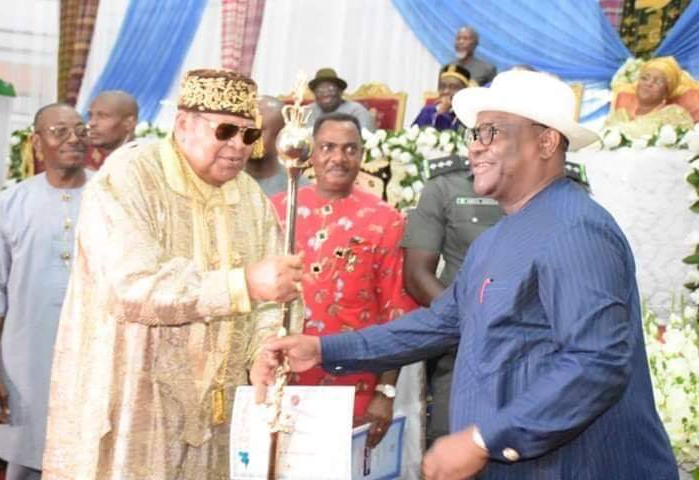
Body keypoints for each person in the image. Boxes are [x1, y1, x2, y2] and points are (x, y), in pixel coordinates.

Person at [254, 70, 678, 479]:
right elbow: (435, 325)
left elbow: (596, 363)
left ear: (546, 142)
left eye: (491, 132)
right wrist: (322, 348)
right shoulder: (495, 240)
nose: (475, 147)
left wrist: (482, 440)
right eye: (474, 134)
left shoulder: (576, 230)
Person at [41, 69, 303, 480]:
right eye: (225, 131)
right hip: (136, 397)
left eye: (249, 135)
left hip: (220, 408)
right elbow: (130, 286)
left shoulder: (250, 198)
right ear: (183, 124)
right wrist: (242, 284)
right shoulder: (130, 176)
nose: (238, 146)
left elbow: (278, 292)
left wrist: (264, 350)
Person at [272, 112, 417, 448]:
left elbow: (396, 311)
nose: (338, 158)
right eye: (327, 147)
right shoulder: (278, 211)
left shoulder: (386, 220)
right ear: (311, 152)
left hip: (354, 385)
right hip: (282, 379)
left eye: (350, 149)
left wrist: (385, 390)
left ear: (362, 155)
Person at [0, 103, 91, 480]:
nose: (74, 138)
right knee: (28, 459)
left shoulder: (111, 199)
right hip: (26, 362)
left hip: (95, 357)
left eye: (80, 130)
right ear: (37, 143)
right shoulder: (6, 207)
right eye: (60, 131)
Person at [401, 154, 503, 449]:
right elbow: (416, 276)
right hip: (460, 352)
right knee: (451, 448)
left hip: (533, 355)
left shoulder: (558, 185)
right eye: (477, 132)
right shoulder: (446, 185)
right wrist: (472, 323)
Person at [606, 56, 696, 138]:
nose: (648, 83)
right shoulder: (622, 112)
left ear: (666, 92)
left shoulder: (674, 115)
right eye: (644, 78)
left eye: (657, 82)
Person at [244, 95, 309, 196]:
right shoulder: (224, 179)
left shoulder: (297, 190)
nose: (249, 136)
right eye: (245, 129)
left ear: (280, 136)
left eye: (258, 130)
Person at [305, 68, 375, 132]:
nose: (325, 94)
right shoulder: (308, 111)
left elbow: (365, 138)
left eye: (331, 89)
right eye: (320, 90)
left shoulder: (357, 111)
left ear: (340, 92)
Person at [85, 90, 138, 169]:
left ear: (128, 123)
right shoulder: (81, 154)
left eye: (102, 116)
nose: (91, 123)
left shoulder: (143, 159)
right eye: (90, 116)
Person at [413, 64, 472, 131]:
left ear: (465, 90)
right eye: (442, 86)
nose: (446, 91)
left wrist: (443, 113)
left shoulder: (468, 116)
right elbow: (413, 134)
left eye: (454, 87)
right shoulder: (428, 111)